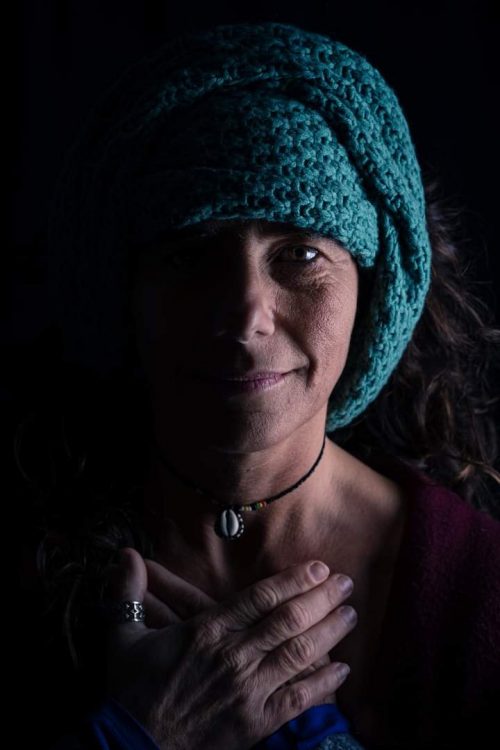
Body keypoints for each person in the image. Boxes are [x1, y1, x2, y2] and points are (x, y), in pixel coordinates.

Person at [14, 19, 500, 750]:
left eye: (300, 255)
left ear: (371, 292)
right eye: (190, 254)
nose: (246, 317)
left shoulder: (477, 591)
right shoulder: (25, 559)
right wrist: (137, 733)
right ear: (125, 290)